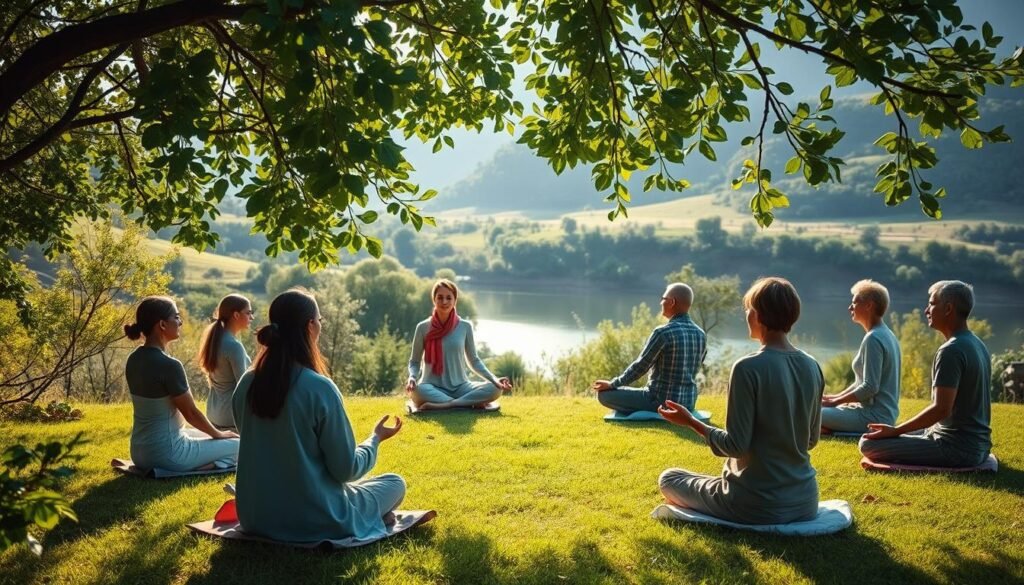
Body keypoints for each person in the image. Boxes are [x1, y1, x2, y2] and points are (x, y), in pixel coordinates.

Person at [232, 289, 406, 542]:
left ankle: (368, 513)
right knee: (395, 483)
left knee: (351, 491)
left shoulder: (246, 383)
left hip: (256, 517)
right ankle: (370, 517)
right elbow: (346, 469)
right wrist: (375, 439)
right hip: (313, 519)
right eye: (320, 320)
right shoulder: (319, 388)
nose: (320, 326)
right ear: (310, 325)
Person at [658, 277, 823, 524]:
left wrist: (691, 421)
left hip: (755, 504)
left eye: (748, 309)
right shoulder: (813, 366)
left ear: (756, 315)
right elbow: (810, 440)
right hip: (805, 501)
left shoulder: (748, 367)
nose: (746, 315)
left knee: (670, 478)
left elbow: (736, 445)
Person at [860, 280, 992, 467]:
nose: (926, 310)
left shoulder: (951, 350)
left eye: (931, 304)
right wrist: (897, 431)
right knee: (881, 435)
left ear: (948, 308)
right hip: (978, 445)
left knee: (867, 444)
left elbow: (941, 408)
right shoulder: (977, 344)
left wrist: (896, 430)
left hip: (957, 448)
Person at [123, 296, 238, 472]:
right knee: (238, 444)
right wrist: (219, 434)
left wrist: (216, 435)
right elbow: (191, 413)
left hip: (139, 452)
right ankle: (210, 466)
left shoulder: (134, 359)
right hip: (167, 455)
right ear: (162, 324)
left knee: (209, 436)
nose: (180, 322)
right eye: (176, 317)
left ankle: (210, 459)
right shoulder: (169, 365)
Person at [591, 282, 706, 414]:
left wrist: (613, 384)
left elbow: (641, 366)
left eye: (663, 299)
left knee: (604, 395)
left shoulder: (663, 332)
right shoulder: (701, 334)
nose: (661, 303)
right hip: (688, 403)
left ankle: (653, 412)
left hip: (660, 401)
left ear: (672, 302)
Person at [406, 279, 512, 410]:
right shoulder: (422, 327)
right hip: (431, 387)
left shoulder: (465, 326)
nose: (444, 302)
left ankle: (449, 404)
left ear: (454, 301)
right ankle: (467, 403)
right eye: (440, 297)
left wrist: (494, 379)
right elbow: (414, 362)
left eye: (448, 298)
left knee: (495, 389)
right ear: (434, 300)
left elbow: (474, 360)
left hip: (461, 387)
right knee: (418, 391)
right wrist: (412, 377)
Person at [821, 280, 901, 433]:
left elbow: (870, 387)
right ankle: (824, 428)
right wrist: (835, 398)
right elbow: (862, 382)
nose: (850, 307)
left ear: (869, 305)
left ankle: (826, 429)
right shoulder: (886, 334)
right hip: (881, 415)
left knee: (809, 413)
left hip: (874, 417)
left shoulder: (874, 338)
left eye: (855, 302)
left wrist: (836, 402)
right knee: (816, 408)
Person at [197, 294, 253, 430]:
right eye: (248, 313)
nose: (252, 317)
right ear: (236, 315)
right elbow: (244, 387)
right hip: (231, 417)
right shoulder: (234, 346)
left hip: (213, 413)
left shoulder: (214, 340)